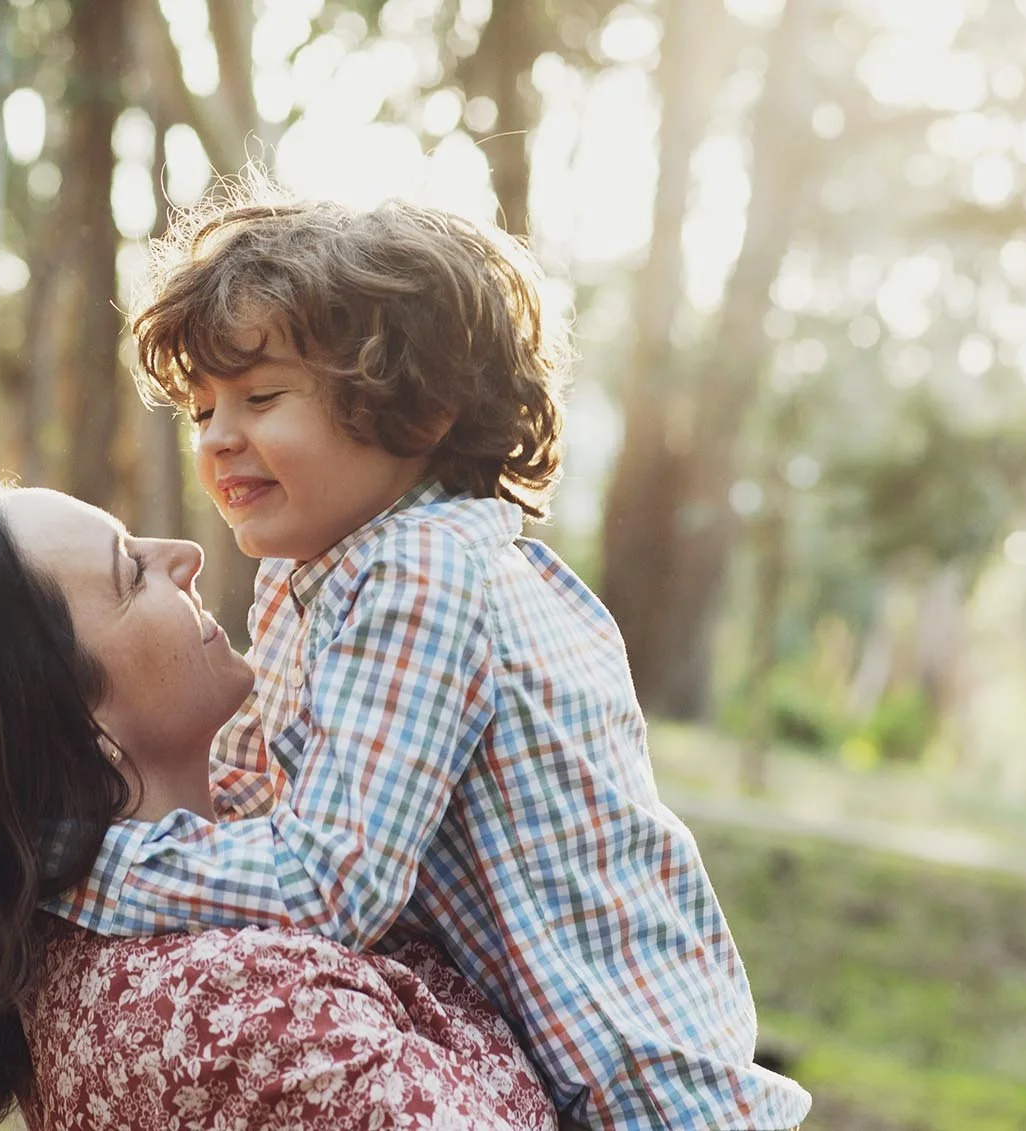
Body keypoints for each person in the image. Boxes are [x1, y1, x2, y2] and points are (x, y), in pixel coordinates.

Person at [45, 196, 812, 1130]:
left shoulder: (422, 572)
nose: (214, 436)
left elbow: (327, 883)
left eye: (262, 398)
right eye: (203, 407)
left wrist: (85, 860)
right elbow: (251, 791)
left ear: (419, 406)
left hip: (642, 1093)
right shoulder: (308, 572)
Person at [0, 474, 557, 1131]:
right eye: (131, 573)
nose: (184, 556)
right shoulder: (215, 1010)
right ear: (77, 732)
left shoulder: (228, 865)